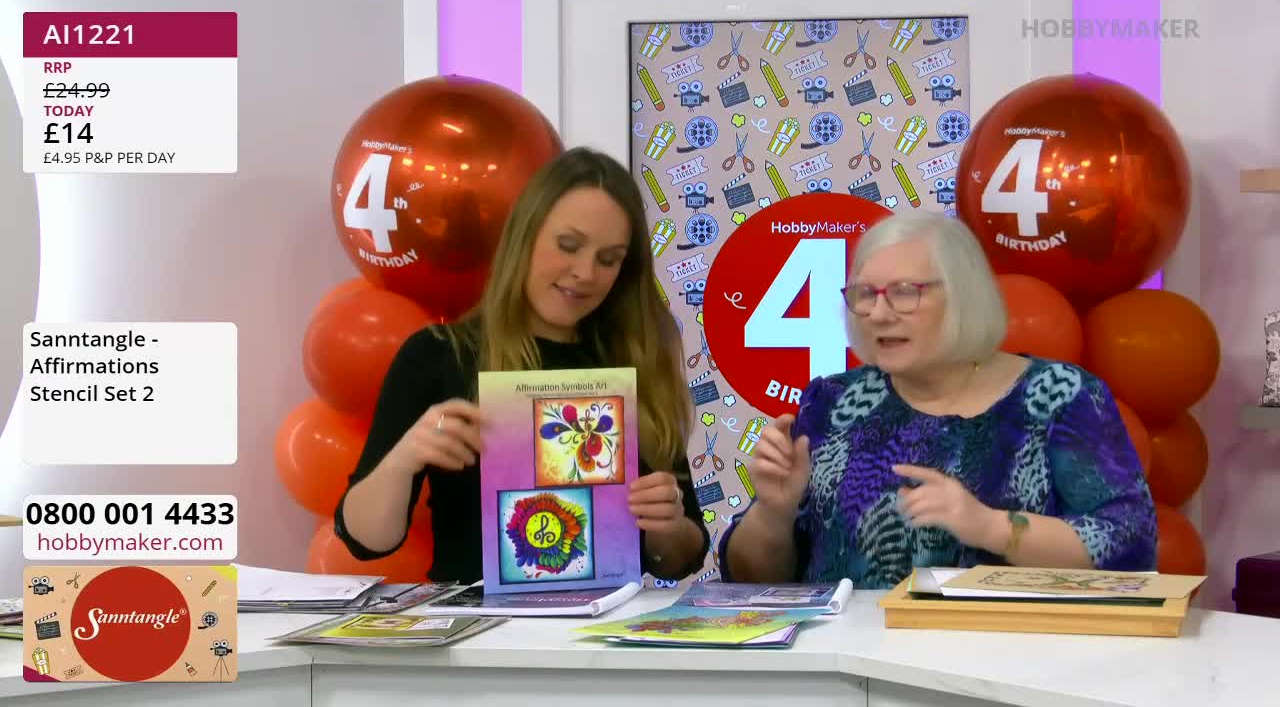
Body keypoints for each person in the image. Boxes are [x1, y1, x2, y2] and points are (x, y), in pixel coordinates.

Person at [720, 212, 1157, 588]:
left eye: (904, 292)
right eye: (865, 294)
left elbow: (1129, 546)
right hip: (847, 673)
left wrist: (992, 528)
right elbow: (755, 586)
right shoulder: (833, 403)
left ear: (964, 296)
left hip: (1008, 669)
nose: (878, 312)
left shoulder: (1059, 397)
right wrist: (773, 516)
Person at [335, 147, 710, 583]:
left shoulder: (634, 360)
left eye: (609, 259)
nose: (585, 272)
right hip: (480, 640)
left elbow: (683, 557)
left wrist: (667, 524)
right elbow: (364, 540)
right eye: (568, 246)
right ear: (524, 237)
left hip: (602, 637)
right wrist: (403, 459)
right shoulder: (439, 355)